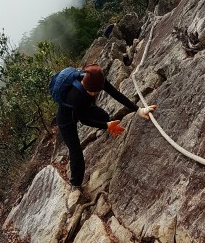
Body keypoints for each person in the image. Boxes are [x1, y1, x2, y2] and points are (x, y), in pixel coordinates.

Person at [56, 63, 156, 206]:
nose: (95, 95)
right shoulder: (75, 95)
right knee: (75, 150)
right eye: (93, 93)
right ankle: (76, 184)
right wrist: (106, 126)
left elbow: (116, 94)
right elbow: (84, 120)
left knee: (103, 115)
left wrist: (139, 110)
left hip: (84, 106)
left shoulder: (98, 80)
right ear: (86, 87)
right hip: (66, 118)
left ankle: (110, 127)